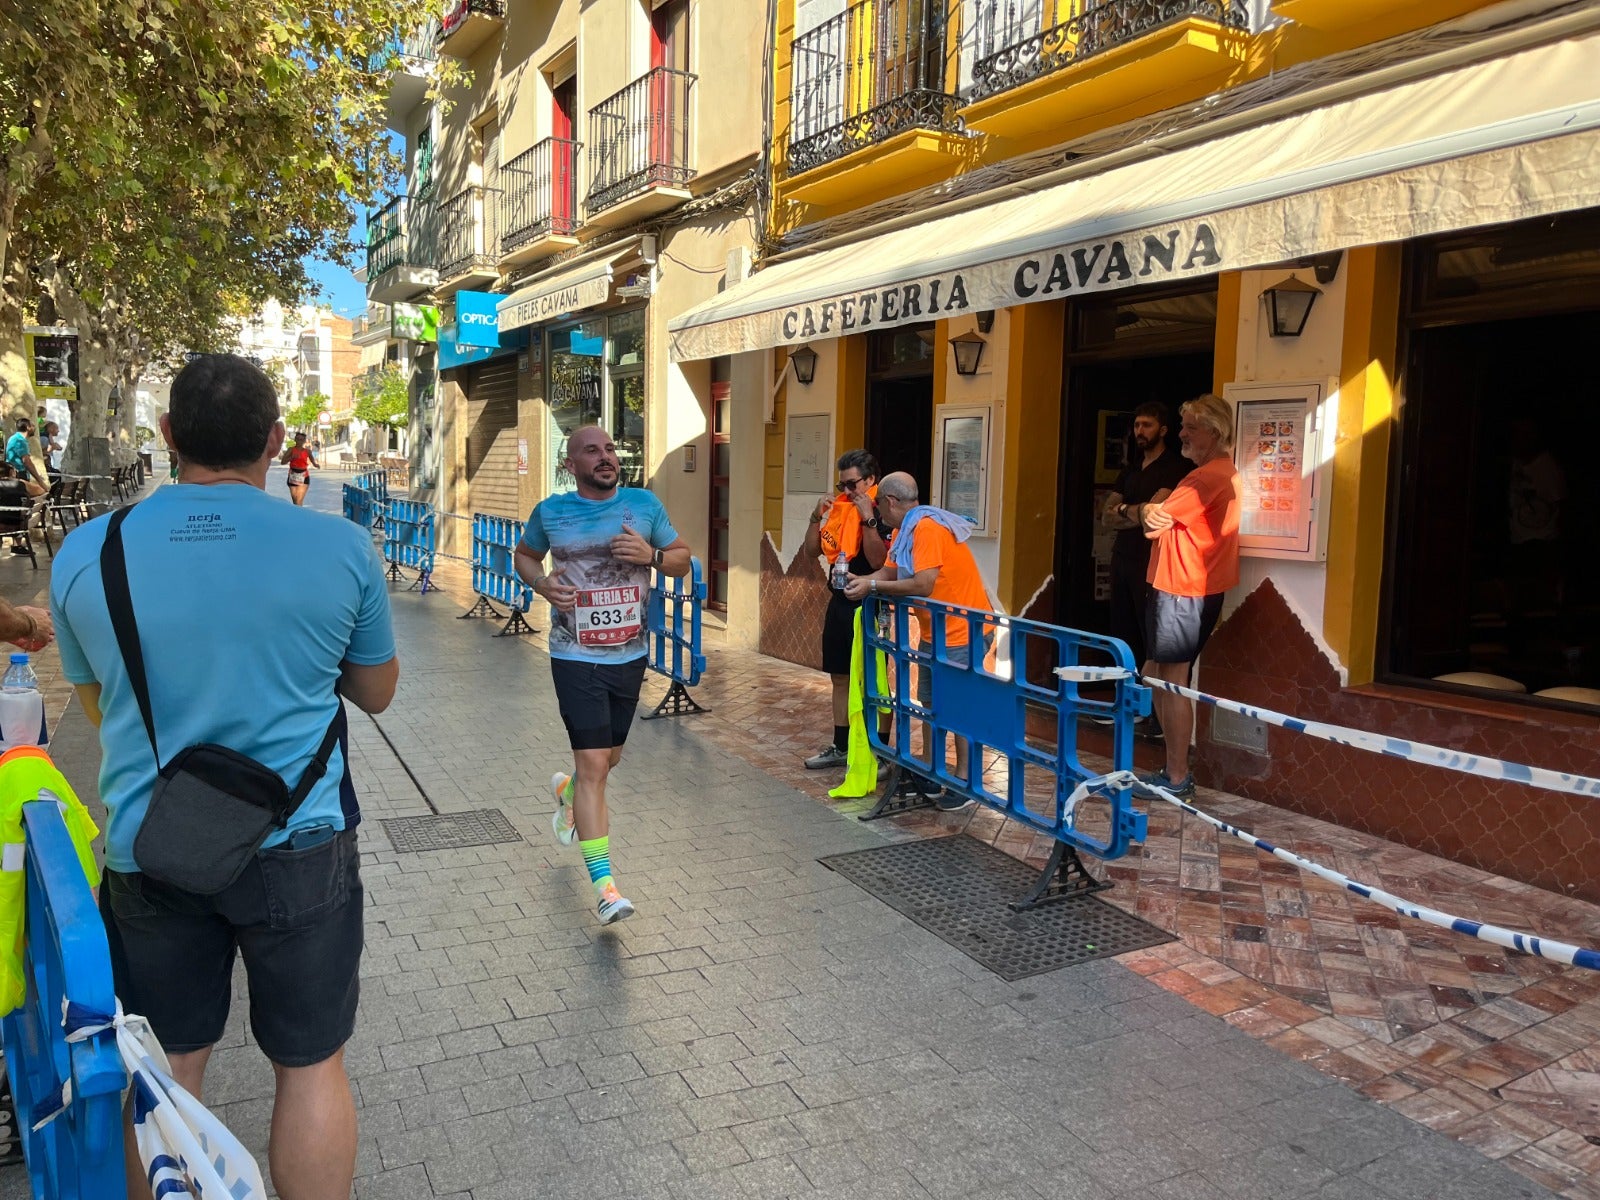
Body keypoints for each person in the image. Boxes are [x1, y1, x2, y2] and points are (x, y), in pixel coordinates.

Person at [49, 353, 398, 1200]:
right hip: (300, 845)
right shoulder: (341, 545)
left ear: (168, 436)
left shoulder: (89, 551)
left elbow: (98, 704)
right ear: (275, 442)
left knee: (163, 1071)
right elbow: (378, 693)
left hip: (150, 848)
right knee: (311, 1064)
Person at [514, 425, 691, 925]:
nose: (605, 456)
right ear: (571, 465)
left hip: (629, 656)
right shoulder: (551, 512)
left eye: (610, 448)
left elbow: (681, 559)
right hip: (574, 656)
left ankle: (567, 793)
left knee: (608, 760)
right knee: (594, 766)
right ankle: (605, 887)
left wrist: (653, 556)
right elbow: (525, 557)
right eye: (591, 451)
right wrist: (543, 584)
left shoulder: (644, 505)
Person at [843, 472, 991, 811]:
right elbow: (891, 572)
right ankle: (933, 771)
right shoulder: (904, 530)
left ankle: (966, 783)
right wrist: (862, 581)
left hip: (962, 631)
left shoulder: (926, 529)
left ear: (891, 502)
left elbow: (923, 584)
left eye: (879, 504)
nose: (877, 511)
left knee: (957, 707)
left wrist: (873, 588)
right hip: (935, 632)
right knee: (930, 702)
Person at [1139, 392, 1241, 799]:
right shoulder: (1219, 472)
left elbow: (1152, 522)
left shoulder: (1204, 477)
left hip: (1183, 588)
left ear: (1213, 433)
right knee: (1155, 674)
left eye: (1190, 428)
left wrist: (1150, 505)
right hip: (1187, 587)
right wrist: (1155, 506)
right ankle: (1172, 768)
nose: (1181, 434)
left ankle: (1177, 776)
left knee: (1172, 680)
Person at [1099, 402, 1189, 732]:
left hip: (1152, 563)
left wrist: (1127, 510)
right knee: (1122, 634)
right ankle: (1125, 706)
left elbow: (1156, 514)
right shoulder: (1132, 467)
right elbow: (1106, 515)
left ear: (1163, 430)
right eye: (1137, 424)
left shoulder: (1174, 467)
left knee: (1148, 635)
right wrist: (1132, 511)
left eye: (1147, 425)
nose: (1140, 431)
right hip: (1122, 558)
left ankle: (1151, 713)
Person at [800, 449, 886, 770]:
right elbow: (811, 551)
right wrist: (815, 516)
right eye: (842, 486)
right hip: (839, 602)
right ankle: (841, 745)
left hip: (869, 604)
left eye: (853, 485)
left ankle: (879, 750)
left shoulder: (881, 511)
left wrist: (868, 518)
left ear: (870, 480)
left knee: (873, 680)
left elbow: (879, 561)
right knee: (839, 677)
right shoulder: (838, 509)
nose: (847, 492)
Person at [0, 464, 46, 555]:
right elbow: (41, 491)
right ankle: (17, 546)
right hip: (19, 524)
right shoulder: (21, 484)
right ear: (11, 472)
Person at [281, 431, 319, 506]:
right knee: (295, 500)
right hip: (293, 475)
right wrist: (291, 457)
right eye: (298, 439)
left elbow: (312, 459)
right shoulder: (291, 449)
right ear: (295, 439)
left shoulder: (307, 451)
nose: (299, 441)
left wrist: (315, 464)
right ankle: (298, 515)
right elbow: (283, 462)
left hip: (304, 475)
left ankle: (299, 516)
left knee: (299, 500)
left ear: (304, 441)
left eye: (301, 440)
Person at [5, 418, 43, 488]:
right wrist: (40, 480)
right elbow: (27, 462)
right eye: (33, 426)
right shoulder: (20, 441)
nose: (34, 428)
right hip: (19, 474)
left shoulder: (13, 438)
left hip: (11, 473)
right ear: (28, 428)